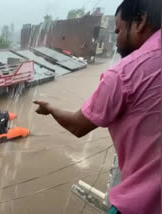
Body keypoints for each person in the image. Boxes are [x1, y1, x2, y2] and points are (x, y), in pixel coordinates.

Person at [34, 1, 161, 213]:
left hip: (143, 204)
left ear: (140, 21)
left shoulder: (125, 74)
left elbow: (77, 126)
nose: (117, 41)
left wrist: (50, 108)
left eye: (119, 31)